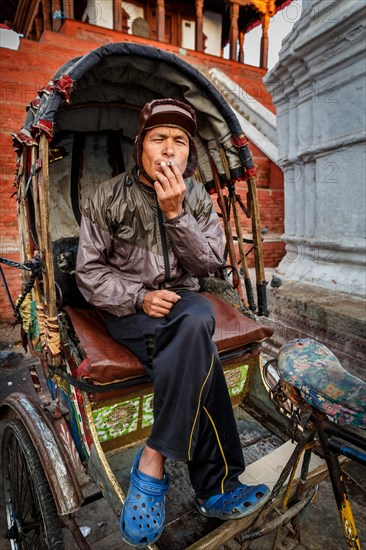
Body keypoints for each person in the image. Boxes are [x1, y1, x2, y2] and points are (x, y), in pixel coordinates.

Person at [76, 98, 270, 548]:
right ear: (140, 146)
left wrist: (176, 213)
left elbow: (208, 266)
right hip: (127, 312)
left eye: (179, 141)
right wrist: (140, 297)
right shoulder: (107, 196)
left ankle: (154, 456)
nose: (169, 150)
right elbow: (88, 274)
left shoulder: (196, 196)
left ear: (189, 154)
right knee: (197, 331)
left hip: (185, 307)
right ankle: (217, 486)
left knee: (196, 316)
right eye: (158, 139)